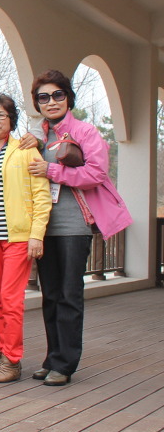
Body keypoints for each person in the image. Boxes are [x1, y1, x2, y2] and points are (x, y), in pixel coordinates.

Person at [27, 70, 131, 386]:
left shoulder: (85, 132)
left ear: (68, 98)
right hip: (44, 229)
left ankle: (65, 364)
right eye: (44, 97)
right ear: (37, 103)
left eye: (58, 95)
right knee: (50, 296)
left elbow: (96, 174)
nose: (51, 102)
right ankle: (52, 358)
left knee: (69, 295)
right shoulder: (37, 138)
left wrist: (52, 170)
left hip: (74, 226)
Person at [0, 92, 51, 383]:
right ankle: (5, 357)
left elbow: (41, 196)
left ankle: (12, 361)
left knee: (11, 300)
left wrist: (36, 235)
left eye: (1, 115)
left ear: (11, 120)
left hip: (17, 237)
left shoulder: (26, 150)